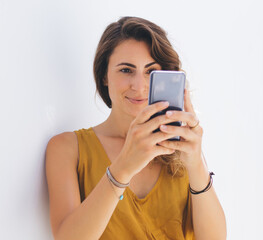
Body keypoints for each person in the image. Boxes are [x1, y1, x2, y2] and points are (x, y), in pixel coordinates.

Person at [45, 16, 227, 240]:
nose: (139, 86)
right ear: (104, 76)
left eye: (151, 72)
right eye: (126, 70)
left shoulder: (179, 146)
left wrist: (197, 164)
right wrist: (123, 168)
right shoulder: (67, 149)